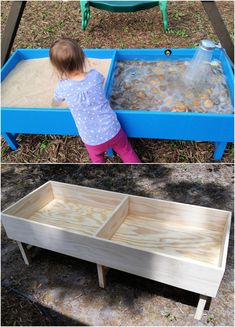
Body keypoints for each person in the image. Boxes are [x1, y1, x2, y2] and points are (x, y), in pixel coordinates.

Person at [49, 38, 141, 164]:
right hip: (112, 129)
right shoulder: (94, 75)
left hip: (91, 139)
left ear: (58, 68)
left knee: (97, 160)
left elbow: (56, 102)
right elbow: (102, 81)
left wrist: (53, 104)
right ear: (82, 57)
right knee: (127, 152)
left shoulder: (62, 87)